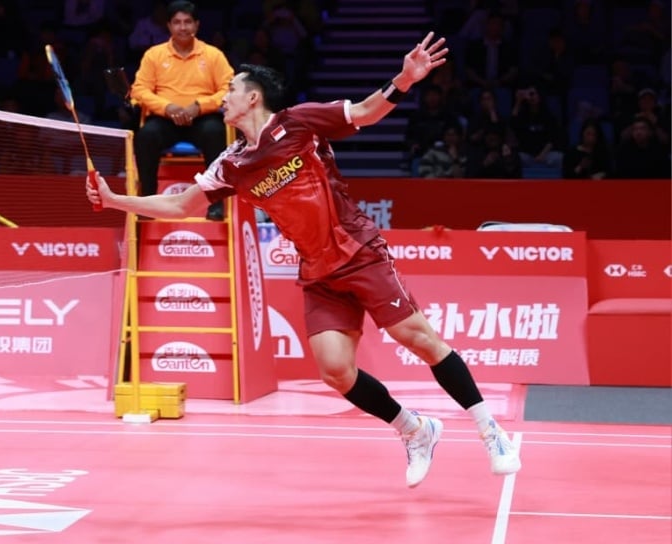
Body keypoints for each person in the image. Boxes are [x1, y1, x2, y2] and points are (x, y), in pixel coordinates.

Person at [88, 32, 522, 487]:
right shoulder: (232, 164)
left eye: (231, 89)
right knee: (335, 370)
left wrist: (404, 80)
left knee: (417, 338)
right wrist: (116, 200)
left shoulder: (298, 122)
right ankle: (415, 429)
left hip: (358, 250)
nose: (223, 96)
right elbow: (181, 206)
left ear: (253, 97)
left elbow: (366, 112)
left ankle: (490, 432)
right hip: (318, 271)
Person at [129, 0, 233, 218]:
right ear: (168, 25)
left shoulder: (213, 55)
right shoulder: (154, 55)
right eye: (177, 22)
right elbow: (139, 90)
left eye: (188, 22)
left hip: (202, 119)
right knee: (146, 136)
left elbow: (228, 89)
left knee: (216, 132)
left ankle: (216, 203)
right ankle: (148, 202)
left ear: (197, 25)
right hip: (165, 120)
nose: (183, 27)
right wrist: (167, 107)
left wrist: (200, 106)